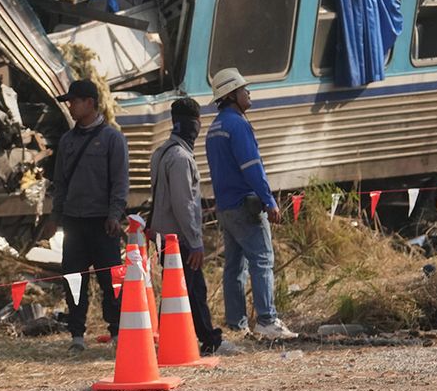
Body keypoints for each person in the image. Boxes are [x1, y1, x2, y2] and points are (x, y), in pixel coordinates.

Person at [204, 68, 297, 341]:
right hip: (245, 205)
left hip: (225, 206)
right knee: (262, 260)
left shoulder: (215, 128)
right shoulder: (238, 125)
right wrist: (269, 200)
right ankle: (267, 321)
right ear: (232, 95)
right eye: (244, 89)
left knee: (234, 265)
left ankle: (236, 324)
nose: (248, 93)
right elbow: (252, 166)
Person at [48, 78, 129, 352]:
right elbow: (60, 182)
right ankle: (77, 335)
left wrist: (115, 215)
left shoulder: (112, 139)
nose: (70, 106)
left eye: (74, 101)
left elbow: (120, 182)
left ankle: (117, 332)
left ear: (90, 103)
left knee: (111, 282)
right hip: (73, 221)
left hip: (103, 223)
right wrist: (55, 216)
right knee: (73, 279)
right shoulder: (67, 141)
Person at [148, 96, 230, 356]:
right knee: (193, 291)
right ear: (192, 125)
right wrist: (195, 242)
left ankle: (172, 338)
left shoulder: (161, 153)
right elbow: (184, 205)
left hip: (164, 237)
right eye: (197, 122)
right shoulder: (182, 158)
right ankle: (210, 340)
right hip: (179, 239)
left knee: (176, 292)